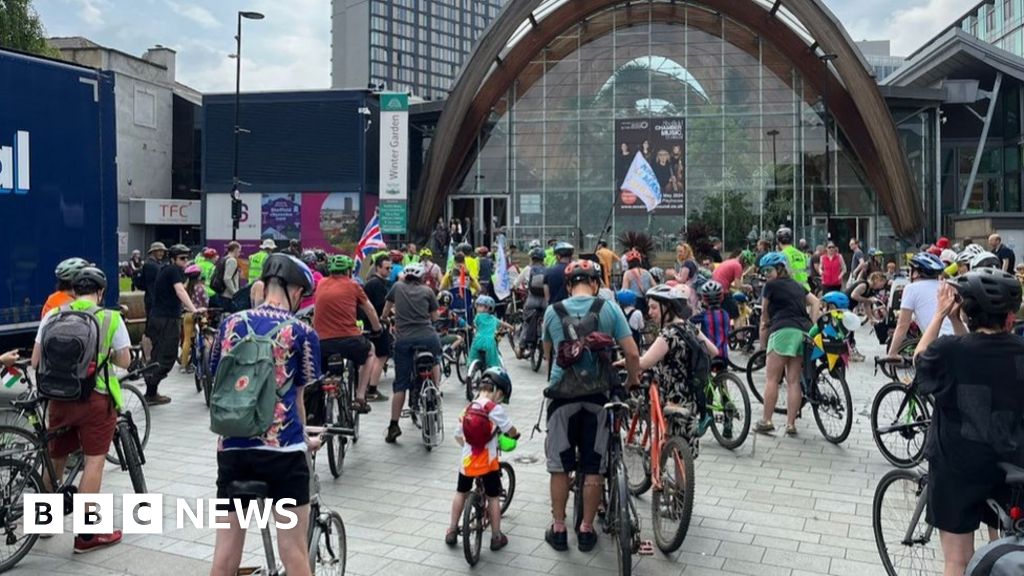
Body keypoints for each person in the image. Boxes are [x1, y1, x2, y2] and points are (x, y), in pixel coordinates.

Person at [209, 254, 320, 576]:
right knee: (294, 551)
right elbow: (298, 399)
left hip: (232, 450)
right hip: (283, 454)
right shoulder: (301, 332)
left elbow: (216, 374)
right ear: (295, 291)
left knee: (225, 554)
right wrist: (305, 440)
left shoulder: (230, 323)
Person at [913, 269, 1024, 576]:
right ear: (1009, 316)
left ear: (966, 309)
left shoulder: (950, 351)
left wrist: (941, 315)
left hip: (958, 466)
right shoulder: (1019, 351)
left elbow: (920, 360)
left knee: (958, 560)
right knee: (1007, 547)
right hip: (1010, 464)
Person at [541, 259, 640, 553]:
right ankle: (586, 530)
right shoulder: (609, 308)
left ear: (569, 285)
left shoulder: (552, 311)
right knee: (593, 465)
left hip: (562, 398)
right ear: (595, 283)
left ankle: (559, 528)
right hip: (599, 398)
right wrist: (631, 381)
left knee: (559, 467)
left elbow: (548, 355)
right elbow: (632, 354)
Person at [31, 267, 131, 553]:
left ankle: (44, 523)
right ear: (101, 291)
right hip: (95, 399)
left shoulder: (53, 315)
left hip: (58, 398)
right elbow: (125, 361)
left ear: (73, 291)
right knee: (93, 462)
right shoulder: (110, 318)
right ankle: (87, 536)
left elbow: (36, 361)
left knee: (55, 459)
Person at [627, 284, 718, 454]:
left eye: (654, 307)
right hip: (692, 397)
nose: (650, 312)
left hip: (671, 396)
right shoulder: (690, 327)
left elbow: (644, 363)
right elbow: (713, 351)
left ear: (667, 308)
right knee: (683, 454)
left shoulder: (668, 335)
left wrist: (625, 362)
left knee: (668, 441)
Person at [446, 367, 519, 550]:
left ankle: (452, 530)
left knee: (461, 492)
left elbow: (457, 436)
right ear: (498, 392)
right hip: (488, 464)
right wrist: (515, 435)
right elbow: (510, 429)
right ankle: (496, 537)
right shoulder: (494, 409)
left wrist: (468, 447)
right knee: (493, 497)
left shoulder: (468, 408)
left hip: (467, 462)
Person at [754, 252, 819, 436]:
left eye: (769, 270)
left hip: (782, 330)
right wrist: (813, 325)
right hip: (803, 332)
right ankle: (791, 424)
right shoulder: (798, 285)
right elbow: (815, 302)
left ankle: (766, 420)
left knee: (772, 379)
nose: (766, 274)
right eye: (764, 271)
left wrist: (764, 333)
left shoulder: (770, 286)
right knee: (793, 381)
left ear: (779, 269)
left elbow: (764, 313)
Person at [314, 254, 384, 414]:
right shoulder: (353, 285)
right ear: (348, 271)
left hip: (322, 342)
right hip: (349, 340)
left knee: (319, 373)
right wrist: (377, 328)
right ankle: (360, 397)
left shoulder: (321, 284)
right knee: (370, 351)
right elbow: (370, 310)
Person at [381, 263, 442, 443]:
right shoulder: (428, 291)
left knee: (401, 384)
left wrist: (386, 319)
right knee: (435, 359)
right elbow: (435, 317)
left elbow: (385, 312)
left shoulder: (397, 287)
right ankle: (435, 390)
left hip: (404, 340)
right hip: (428, 337)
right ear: (422, 278)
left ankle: (394, 426)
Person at [145, 244, 204, 405]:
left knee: (157, 355)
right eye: (181, 258)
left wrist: (187, 307)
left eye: (187, 258)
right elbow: (180, 291)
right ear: (172, 259)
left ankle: (150, 391)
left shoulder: (166, 270)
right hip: (167, 320)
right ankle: (150, 386)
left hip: (158, 318)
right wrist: (194, 310)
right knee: (168, 356)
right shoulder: (173, 270)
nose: (185, 262)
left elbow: (172, 295)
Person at [886, 252, 951, 359]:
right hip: (960, 339)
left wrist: (892, 353)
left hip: (939, 343)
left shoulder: (912, 288)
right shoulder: (947, 286)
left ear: (916, 273)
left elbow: (902, 326)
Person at [360, 254, 392, 402]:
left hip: (368, 324)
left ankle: (366, 386)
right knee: (381, 355)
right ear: (378, 268)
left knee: (371, 355)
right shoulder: (377, 284)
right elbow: (380, 306)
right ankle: (372, 389)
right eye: (386, 268)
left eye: (390, 268)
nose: (389, 271)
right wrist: (387, 317)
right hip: (376, 325)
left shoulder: (371, 282)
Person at [514, 248, 547, 357]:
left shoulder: (527, 269)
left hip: (532, 300)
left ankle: (522, 346)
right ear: (543, 259)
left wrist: (513, 288)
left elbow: (516, 283)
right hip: (545, 301)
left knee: (527, 322)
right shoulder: (547, 270)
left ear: (532, 258)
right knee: (546, 321)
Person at [466, 296, 511, 374]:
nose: (477, 308)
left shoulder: (478, 317)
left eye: (480, 306)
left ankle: (471, 371)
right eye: (478, 305)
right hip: (490, 342)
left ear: (487, 308)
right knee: (493, 362)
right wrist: (511, 328)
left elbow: (475, 326)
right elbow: (502, 323)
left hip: (477, 341)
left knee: (473, 358)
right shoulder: (493, 319)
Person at [178, 263, 208, 373]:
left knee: (187, 340)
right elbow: (206, 301)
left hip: (187, 315)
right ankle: (200, 361)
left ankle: (183, 365)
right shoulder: (201, 288)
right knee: (203, 337)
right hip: (199, 315)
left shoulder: (185, 288)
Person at [711, 250, 754, 320]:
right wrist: (746, 286)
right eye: (747, 264)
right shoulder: (738, 266)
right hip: (722, 291)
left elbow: (726, 282)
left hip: (714, 288)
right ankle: (738, 328)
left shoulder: (730, 261)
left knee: (723, 313)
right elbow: (738, 286)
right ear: (745, 262)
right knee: (736, 314)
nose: (746, 267)